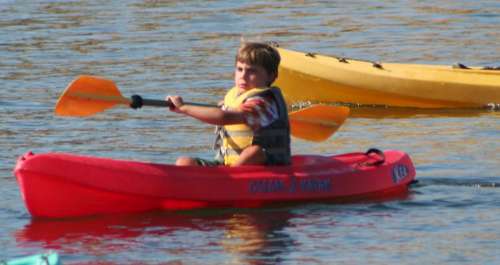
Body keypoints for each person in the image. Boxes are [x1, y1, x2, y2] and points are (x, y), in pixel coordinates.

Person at [166, 42, 291, 167]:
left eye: (252, 71)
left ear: (271, 76)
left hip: (269, 169)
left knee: (254, 152)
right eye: (239, 69)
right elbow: (222, 113)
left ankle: (230, 181)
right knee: (184, 162)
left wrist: (183, 108)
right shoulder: (235, 97)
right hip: (228, 165)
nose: (243, 76)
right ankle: (220, 180)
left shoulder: (264, 103)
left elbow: (224, 117)